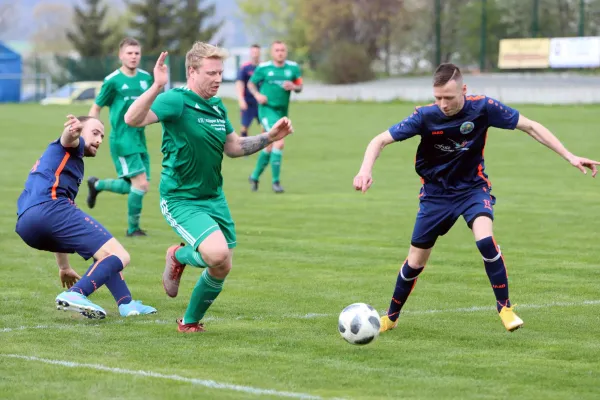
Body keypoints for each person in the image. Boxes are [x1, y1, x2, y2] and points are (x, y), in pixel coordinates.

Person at [353, 63, 599, 333]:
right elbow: (378, 140)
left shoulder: (483, 108)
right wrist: (365, 170)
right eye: (437, 98)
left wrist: (570, 156)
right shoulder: (424, 117)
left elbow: (530, 127)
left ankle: (505, 308)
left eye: (448, 97)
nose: (442, 104)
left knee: (485, 239)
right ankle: (391, 316)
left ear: (464, 90)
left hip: (473, 189)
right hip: (435, 195)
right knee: (415, 262)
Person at [124, 42, 294, 333]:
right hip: (181, 197)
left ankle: (189, 322)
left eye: (221, 72)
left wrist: (268, 137)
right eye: (211, 73)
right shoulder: (176, 100)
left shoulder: (217, 107)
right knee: (216, 254)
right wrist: (156, 86)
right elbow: (132, 119)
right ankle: (177, 255)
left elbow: (234, 147)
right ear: (192, 71)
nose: (218, 79)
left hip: (214, 196)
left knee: (222, 265)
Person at [15, 115, 157, 319]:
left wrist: (63, 267)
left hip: (28, 224)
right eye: (95, 133)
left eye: (102, 136)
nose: (99, 140)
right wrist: (72, 131)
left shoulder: (61, 160)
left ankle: (126, 303)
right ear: (80, 131)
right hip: (51, 208)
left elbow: (54, 228)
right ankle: (76, 293)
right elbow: (68, 139)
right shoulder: (69, 145)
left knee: (102, 252)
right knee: (120, 255)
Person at [87, 37, 154, 237]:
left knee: (136, 186)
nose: (133, 57)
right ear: (121, 55)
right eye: (129, 53)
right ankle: (133, 230)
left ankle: (97, 185)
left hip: (140, 138)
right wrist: (91, 132)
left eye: (137, 53)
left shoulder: (146, 78)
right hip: (122, 139)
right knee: (140, 184)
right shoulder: (112, 81)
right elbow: (96, 107)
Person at [247, 40, 302, 193]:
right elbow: (251, 84)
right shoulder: (264, 68)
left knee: (269, 145)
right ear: (272, 52)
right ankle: (276, 182)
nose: (280, 52)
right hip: (266, 110)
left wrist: (294, 86)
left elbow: (300, 86)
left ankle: (255, 176)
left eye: (282, 50)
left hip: (282, 112)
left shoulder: (293, 68)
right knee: (279, 142)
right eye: (277, 50)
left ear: (286, 52)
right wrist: (257, 95)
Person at [235, 44, 263, 138]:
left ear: (260, 53)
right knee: (244, 127)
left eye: (257, 52)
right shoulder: (245, 67)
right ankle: (243, 149)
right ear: (250, 53)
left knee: (265, 127)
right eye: (253, 52)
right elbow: (239, 84)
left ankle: (266, 150)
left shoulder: (264, 67)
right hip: (248, 102)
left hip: (261, 102)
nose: (255, 54)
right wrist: (241, 100)